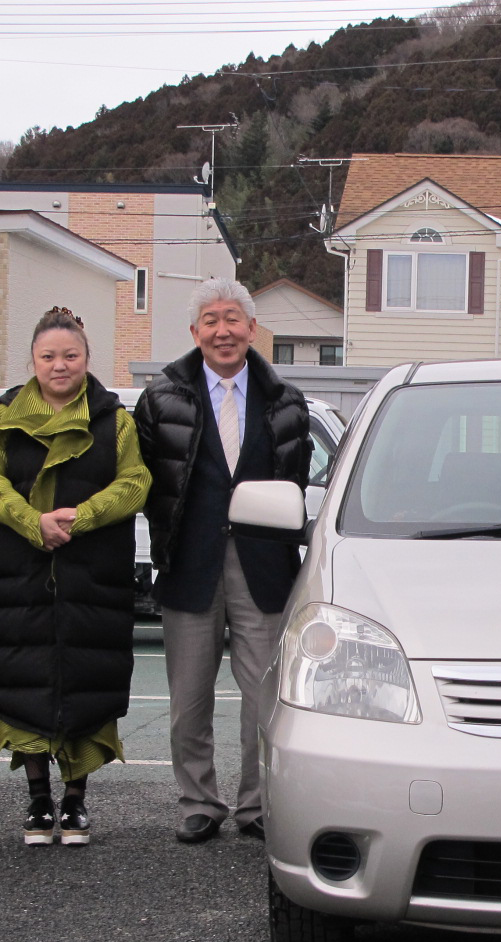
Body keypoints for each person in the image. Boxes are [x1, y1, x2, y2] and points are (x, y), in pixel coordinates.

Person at [136, 279, 311, 844]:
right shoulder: (163, 399)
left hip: (264, 568)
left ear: (252, 329)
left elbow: (296, 484)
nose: (223, 330)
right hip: (190, 564)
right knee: (189, 698)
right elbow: (147, 484)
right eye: (210, 320)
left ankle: (257, 806)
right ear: (194, 333)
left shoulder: (285, 402)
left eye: (233, 319)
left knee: (264, 696)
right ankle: (198, 802)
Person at [0, 307, 151, 846]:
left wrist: (84, 515)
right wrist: (33, 523)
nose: (59, 365)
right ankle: (36, 800)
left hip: (91, 578)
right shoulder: (3, 418)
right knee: (24, 678)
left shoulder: (114, 420)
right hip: (21, 578)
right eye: (48, 356)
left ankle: (75, 800)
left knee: (86, 681)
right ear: (32, 361)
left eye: (70, 356)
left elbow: (137, 480)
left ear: (87, 359)